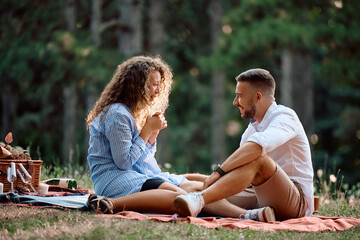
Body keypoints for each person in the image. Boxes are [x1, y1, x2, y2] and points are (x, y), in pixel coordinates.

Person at [85, 55, 246, 217]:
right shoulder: (117, 114)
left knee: (197, 185)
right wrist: (147, 130)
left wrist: (151, 136)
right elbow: (124, 162)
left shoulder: (133, 112)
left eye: (159, 85)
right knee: (184, 197)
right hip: (114, 181)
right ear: (136, 85)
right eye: (154, 85)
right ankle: (247, 215)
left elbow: (141, 161)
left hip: (136, 175)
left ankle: (250, 211)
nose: (158, 91)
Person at [174, 68, 314, 222]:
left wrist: (217, 173)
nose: (235, 102)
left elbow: (256, 148)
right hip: (258, 193)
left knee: (259, 159)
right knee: (191, 187)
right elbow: (235, 173)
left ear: (258, 97)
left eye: (239, 96)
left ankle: (200, 199)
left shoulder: (285, 117)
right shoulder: (252, 129)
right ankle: (254, 215)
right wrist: (185, 178)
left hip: (296, 202)